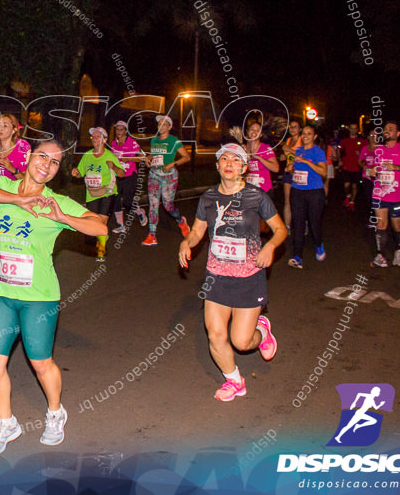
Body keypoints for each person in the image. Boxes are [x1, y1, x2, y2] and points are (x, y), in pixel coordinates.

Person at [0, 140, 108, 454]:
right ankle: (7, 423)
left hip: (39, 298)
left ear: (58, 171)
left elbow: (101, 228)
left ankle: (56, 413)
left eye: (55, 162)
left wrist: (63, 218)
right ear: (29, 156)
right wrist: (19, 201)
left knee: (41, 363)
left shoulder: (56, 201)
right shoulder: (4, 185)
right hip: (2, 293)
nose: (46, 164)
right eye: (42, 156)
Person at [179, 143, 287, 402]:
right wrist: (186, 242)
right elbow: (197, 232)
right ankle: (234, 380)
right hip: (216, 277)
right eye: (224, 159)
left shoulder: (257, 197)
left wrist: (270, 246)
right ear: (217, 166)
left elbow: (281, 230)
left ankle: (261, 332)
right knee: (215, 335)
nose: (229, 163)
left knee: (241, 341)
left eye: (236, 160)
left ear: (244, 168)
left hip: (249, 278)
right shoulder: (208, 198)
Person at [0, 113, 32, 265]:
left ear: (14, 130)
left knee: (11, 249)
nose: (0, 129)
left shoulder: (23, 147)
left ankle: (11, 281)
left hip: (14, 204)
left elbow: (28, 179)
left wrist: (12, 169)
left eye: (5, 125)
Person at [369, 121, 400, 268]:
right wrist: (372, 172)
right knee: (381, 224)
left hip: (397, 195)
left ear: (398, 134)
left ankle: (399, 250)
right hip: (379, 193)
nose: (387, 131)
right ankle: (380, 255)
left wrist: (396, 167)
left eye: (391, 129)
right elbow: (374, 169)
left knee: (397, 225)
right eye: (385, 129)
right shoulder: (378, 150)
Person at [70, 126, 124, 257]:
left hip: (107, 192)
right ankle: (102, 236)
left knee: (102, 221)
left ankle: (101, 250)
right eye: (93, 136)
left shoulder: (109, 156)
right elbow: (80, 174)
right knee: (93, 222)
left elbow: (122, 173)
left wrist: (114, 166)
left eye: (98, 136)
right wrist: (76, 173)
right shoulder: (87, 156)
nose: (94, 138)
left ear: (104, 140)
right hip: (92, 194)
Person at [142, 115, 191, 246]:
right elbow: (154, 153)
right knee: (153, 204)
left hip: (169, 176)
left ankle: (181, 222)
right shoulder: (154, 141)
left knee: (168, 206)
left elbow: (186, 157)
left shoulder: (174, 141)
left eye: (164, 124)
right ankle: (152, 235)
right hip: (154, 174)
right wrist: (148, 158)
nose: (161, 126)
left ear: (169, 127)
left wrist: (172, 164)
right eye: (159, 124)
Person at [287, 125, 328, 268]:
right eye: (303, 134)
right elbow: (291, 168)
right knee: (297, 224)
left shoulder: (318, 152)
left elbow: (323, 173)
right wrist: (290, 168)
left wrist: (305, 161)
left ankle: (318, 244)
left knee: (314, 222)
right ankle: (297, 256)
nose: (305, 136)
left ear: (314, 136)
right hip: (297, 191)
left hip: (314, 192)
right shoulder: (297, 151)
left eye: (309, 134)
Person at [108, 120, 147, 232]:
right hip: (117, 175)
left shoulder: (132, 142)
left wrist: (129, 158)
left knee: (127, 201)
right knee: (115, 199)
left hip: (130, 175)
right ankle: (121, 225)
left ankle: (140, 212)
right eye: (117, 129)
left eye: (121, 129)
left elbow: (142, 157)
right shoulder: (114, 144)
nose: (119, 131)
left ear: (125, 131)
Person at [241, 121, 280, 193]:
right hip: (247, 191)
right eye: (252, 129)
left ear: (260, 134)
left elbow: (276, 169)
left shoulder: (265, 148)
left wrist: (259, 158)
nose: (254, 132)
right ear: (248, 131)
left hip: (264, 191)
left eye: (257, 130)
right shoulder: (243, 149)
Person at [278, 120, 302, 228]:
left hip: (300, 173)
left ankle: (302, 223)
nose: (292, 129)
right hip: (288, 172)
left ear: (300, 129)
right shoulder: (288, 140)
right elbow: (287, 156)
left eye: (295, 126)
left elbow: (304, 156)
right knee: (287, 199)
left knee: (299, 201)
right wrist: (283, 157)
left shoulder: (303, 140)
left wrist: (290, 150)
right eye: (291, 127)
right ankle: (287, 226)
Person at [339, 124, 367, 210]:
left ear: (357, 130)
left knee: (355, 185)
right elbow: (339, 151)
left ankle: (352, 201)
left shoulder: (363, 141)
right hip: (346, 165)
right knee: (346, 184)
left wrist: (361, 156)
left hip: (357, 166)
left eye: (355, 129)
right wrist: (340, 161)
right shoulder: (344, 141)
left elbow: (366, 152)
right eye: (352, 129)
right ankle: (348, 195)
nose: (353, 130)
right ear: (349, 129)